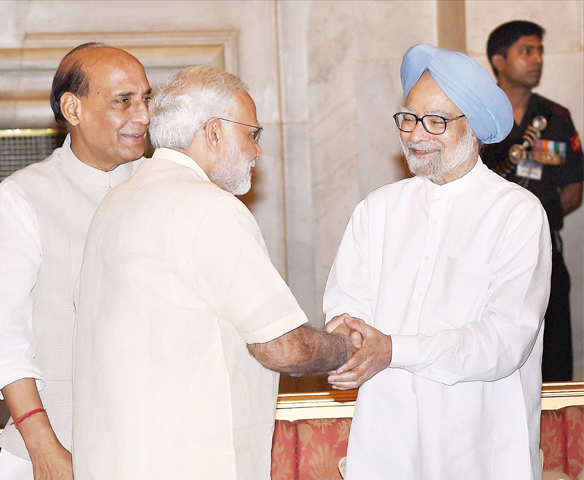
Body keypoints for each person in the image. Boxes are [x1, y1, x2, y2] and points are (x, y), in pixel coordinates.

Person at [71, 65, 355, 480]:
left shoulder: (115, 202)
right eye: (252, 135)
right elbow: (280, 346)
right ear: (214, 132)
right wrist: (345, 348)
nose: (257, 152)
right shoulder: (209, 208)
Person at [323, 44, 551, 479]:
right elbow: (344, 306)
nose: (414, 134)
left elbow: (503, 341)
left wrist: (393, 349)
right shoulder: (378, 209)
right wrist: (348, 339)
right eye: (408, 118)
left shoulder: (516, 213)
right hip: (390, 439)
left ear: (477, 127)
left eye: (436, 121)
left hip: (482, 444)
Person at [0, 43, 152, 480]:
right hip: (59, 445)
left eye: (147, 98)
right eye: (123, 101)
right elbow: (1, 339)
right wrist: (44, 448)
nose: (143, 115)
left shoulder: (163, 188)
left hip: (157, 440)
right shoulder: (23, 198)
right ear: (73, 108)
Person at [482, 20, 583, 381]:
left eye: (539, 51)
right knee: (491, 353)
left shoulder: (557, 118)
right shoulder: (475, 116)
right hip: (484, 256)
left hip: (545, 252)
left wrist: (533, 220)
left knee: (554, 357)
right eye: (526, 51)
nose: (537, 59)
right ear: (498, 60)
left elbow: (573, 190)